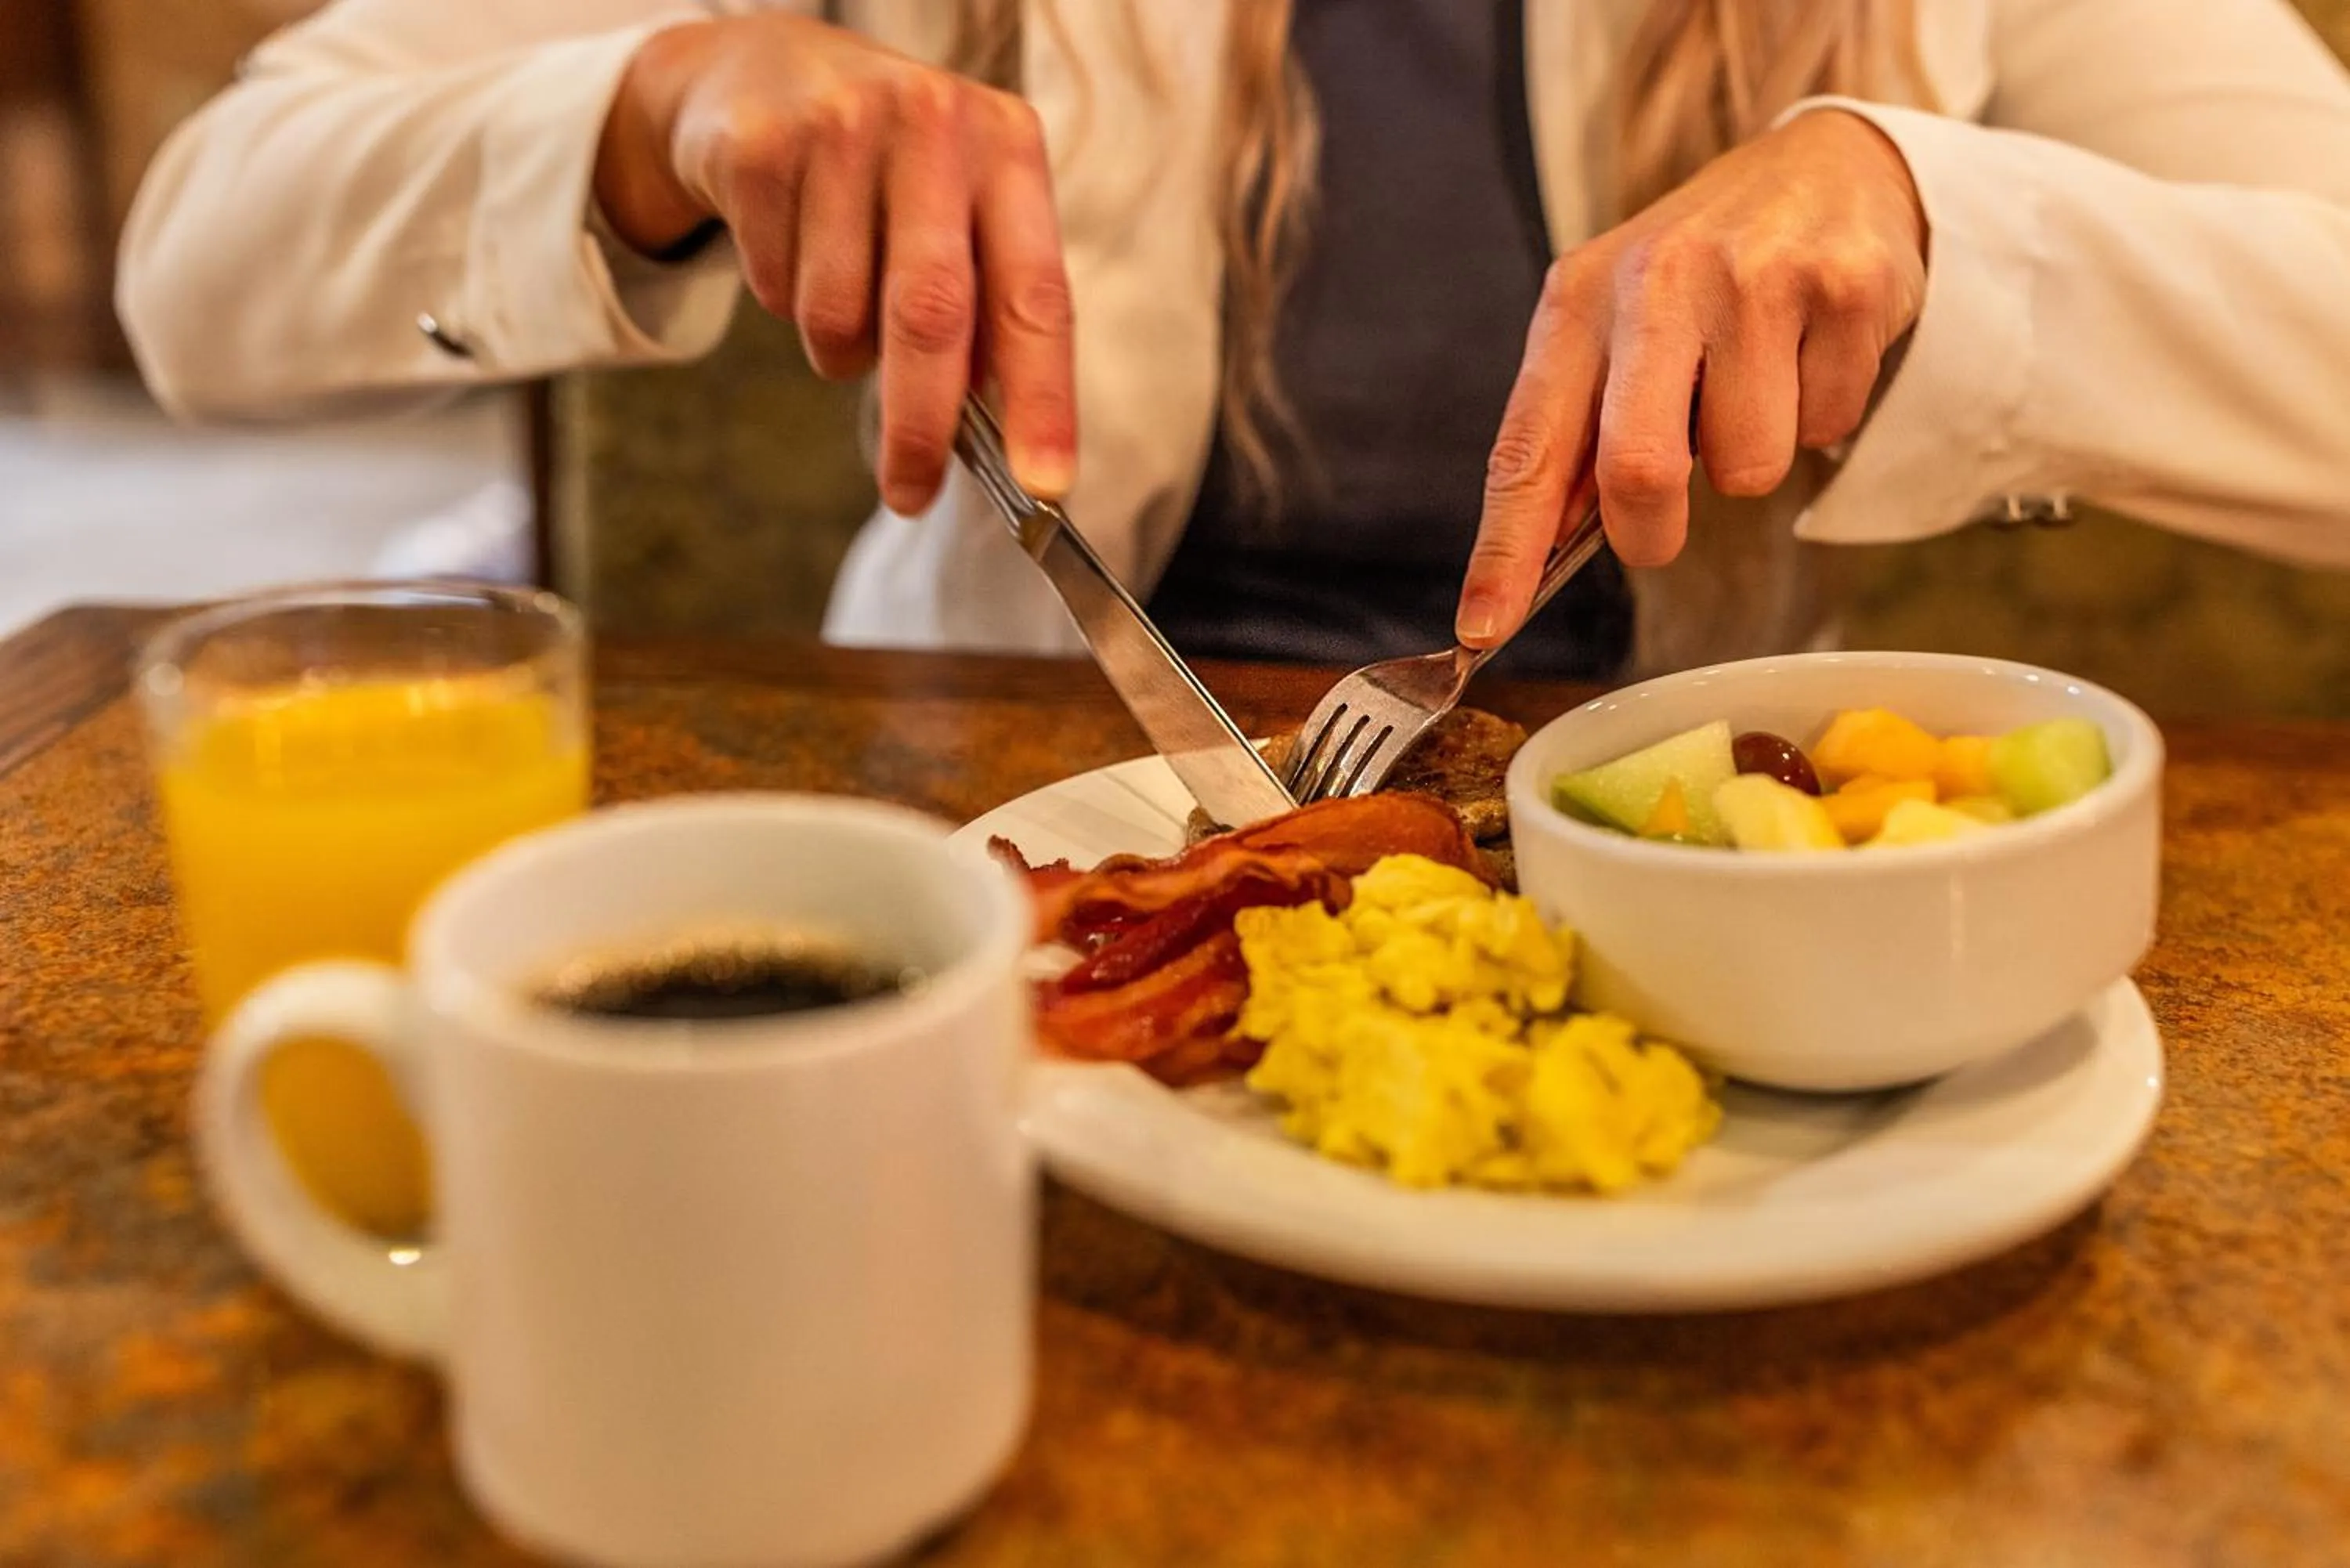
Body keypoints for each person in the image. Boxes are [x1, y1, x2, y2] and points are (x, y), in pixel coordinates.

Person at [118, 1, 2350, 681]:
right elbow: (202, 264)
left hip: (1672, 855)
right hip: (1007, 821)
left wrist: (1924, 207)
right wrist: (656, 105)